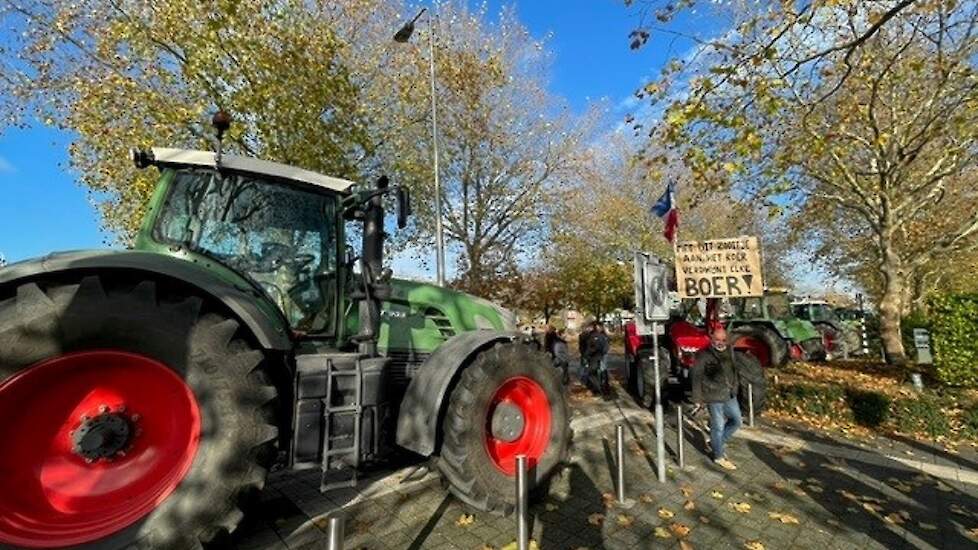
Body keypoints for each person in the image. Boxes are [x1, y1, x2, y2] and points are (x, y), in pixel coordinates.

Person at [689, 327, 744, 471]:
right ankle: (718, 456)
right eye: (717, 340)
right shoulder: (703, 355)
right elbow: (696, 377)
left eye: (723, 340)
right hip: (713, 395)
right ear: (711, 339)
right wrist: (697, 398)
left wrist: (736, 386)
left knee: (737, 421)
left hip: (729, 394)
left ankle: (716, 442)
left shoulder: (730, 350)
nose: (720, 343)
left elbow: (733, 369)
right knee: (718, 426)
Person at [584, 322, 611, 394]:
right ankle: (600, 388)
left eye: (589, 327)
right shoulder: (597, 335)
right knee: (599, 372)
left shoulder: (596, 336)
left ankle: (599, 388)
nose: (587, 329)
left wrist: (587, 354)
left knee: (593, 373)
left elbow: (595, 347)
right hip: (598, 356)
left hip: (595, 357)